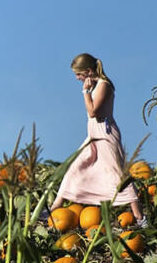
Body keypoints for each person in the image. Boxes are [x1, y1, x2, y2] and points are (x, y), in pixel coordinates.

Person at [48, 53, 147, 227]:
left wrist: (85, 92)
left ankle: (140, 219)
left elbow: (93, 111)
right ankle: (55, 207)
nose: (77, 78)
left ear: (88, 71)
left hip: (105, 136)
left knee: (118, 175)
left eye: (79, 74)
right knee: (75, 167)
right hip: (94, 136)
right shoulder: (97, 85)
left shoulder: (104, 85)